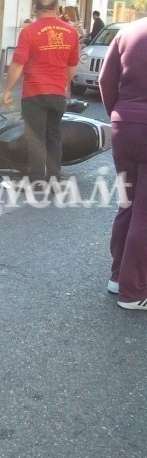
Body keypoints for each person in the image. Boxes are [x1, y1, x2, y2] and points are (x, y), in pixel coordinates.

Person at [0, 0, 80, 184]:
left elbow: (17, 64)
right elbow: (72, 65)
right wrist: (62, 84)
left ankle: (37, 181)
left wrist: (7, 90)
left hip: (34, 94)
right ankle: (54, 179)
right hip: (58, 93)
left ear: (35, 9)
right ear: (57, 9)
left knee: (36, 138)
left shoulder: (29, 32)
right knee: (54, 135)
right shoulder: (71, 32)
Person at [99, 19, 147, 311]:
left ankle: (117, 277)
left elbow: (106, 80)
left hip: (123, 125)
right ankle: (134, 291)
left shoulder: (127, 31)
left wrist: (117, 113)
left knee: (127, 204)